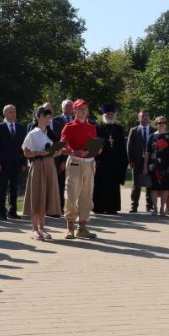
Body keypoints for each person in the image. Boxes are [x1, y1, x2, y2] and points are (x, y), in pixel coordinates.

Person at [60, 99, 100, 239]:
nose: (84, 111)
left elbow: (94, 146)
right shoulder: (69, 127)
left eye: (85, 108)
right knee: (71, 194)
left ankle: (82, 227)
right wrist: (74, 152)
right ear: (74, 111)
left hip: (89, 163)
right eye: (81, 108)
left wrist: (97, 149)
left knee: (87, 196)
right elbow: (62, 148)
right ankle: (70, 226)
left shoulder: (92, 127)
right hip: (75, 163)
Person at [22, 107, 62, 240]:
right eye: (45, 116)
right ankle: (34, 229)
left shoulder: (50, 134)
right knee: (37, 196)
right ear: (38, 117)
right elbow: (26, 152)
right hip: (38, 165)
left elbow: (55, 148)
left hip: (50, 165)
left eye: (49, 117)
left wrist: (57, 151)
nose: (48, 119)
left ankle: (42, 227)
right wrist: (39, 153)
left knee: (45, 196)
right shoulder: (32, 134)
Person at [0, 104, 26, 220]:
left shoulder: (21, 127)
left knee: (14, 189)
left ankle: (12, 211)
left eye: (14, 112)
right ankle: (2, 212)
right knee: (2, 188)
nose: (13, 114)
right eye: (10, 112)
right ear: (4, 114)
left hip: (16, 163)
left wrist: (23, 162)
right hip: (3, 165)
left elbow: (23, 147)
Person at [92, 103, 128, 215]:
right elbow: (94, 148)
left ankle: (112, 207)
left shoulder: (118, 128)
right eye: (108, 113)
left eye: (112, 113)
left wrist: (123, 161)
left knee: (113, 185)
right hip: (101, 163)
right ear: (103, 115)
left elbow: (122, 147)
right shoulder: (97, 128)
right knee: (99, 184)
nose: (110, 115)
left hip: (115, 163)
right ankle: (98, 207)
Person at [145, 116, 169, 217]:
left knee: (165, 188)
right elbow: (147, 153)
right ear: (156, 124)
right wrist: (145, 166)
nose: (161, 124)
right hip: (154, 165)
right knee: (153, 188)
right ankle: (155, 208)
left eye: (163, 122)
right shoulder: (151, 137)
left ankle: (162, 208)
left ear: (166, 124)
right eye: (159, 123)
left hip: (166, 165)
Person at [127, 110, 154, 213]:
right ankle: (134, 206)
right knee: (136, 184)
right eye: (142, 116)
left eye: (146, 116)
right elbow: (129, 147)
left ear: (149, 118)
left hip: (150, 161)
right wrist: (131, 160)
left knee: (150, 183)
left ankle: (149, 206)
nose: (145, 117)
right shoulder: (133, 130)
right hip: (137, 161)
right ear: (138, 118)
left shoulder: (153, 130)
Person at [52, 99, 75, 210]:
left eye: (71, 106)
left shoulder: (77, 120)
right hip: (61, 156)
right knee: (60, 183)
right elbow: (58, 142)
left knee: (74, 183)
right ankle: (60, 206)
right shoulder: (55, 120)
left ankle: (73, 206)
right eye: (66, 106)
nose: (69, 107)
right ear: (62, 107)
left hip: (75, 156)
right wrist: (62, 159)